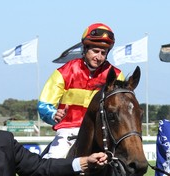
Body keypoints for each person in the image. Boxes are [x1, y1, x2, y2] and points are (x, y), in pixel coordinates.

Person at [37, 22, 124, 159]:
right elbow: (44, 104)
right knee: (52, 163)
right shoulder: (64, 72)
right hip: (68, 132)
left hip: (102, 134)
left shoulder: (116, 75)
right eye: (95, 51)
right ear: (85, 49)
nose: (99, 57)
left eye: (103, 53)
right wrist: (53, 114)